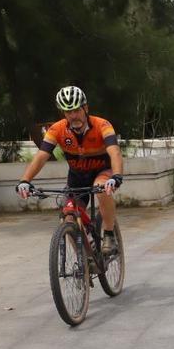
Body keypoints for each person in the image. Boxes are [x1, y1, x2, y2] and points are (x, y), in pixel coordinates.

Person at [16, 86, 123, 254]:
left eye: (76, 110)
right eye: (68, 112)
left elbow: (114, 151)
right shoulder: (57, 129)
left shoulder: (102, 125)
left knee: (103, 189)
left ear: (85, 108)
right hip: (77, 177)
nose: (73, 116)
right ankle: (85, 257)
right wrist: (25, 180)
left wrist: (116, 176)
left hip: (102, 171)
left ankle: (109, 234)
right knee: (69, 215)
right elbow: (42, 155)